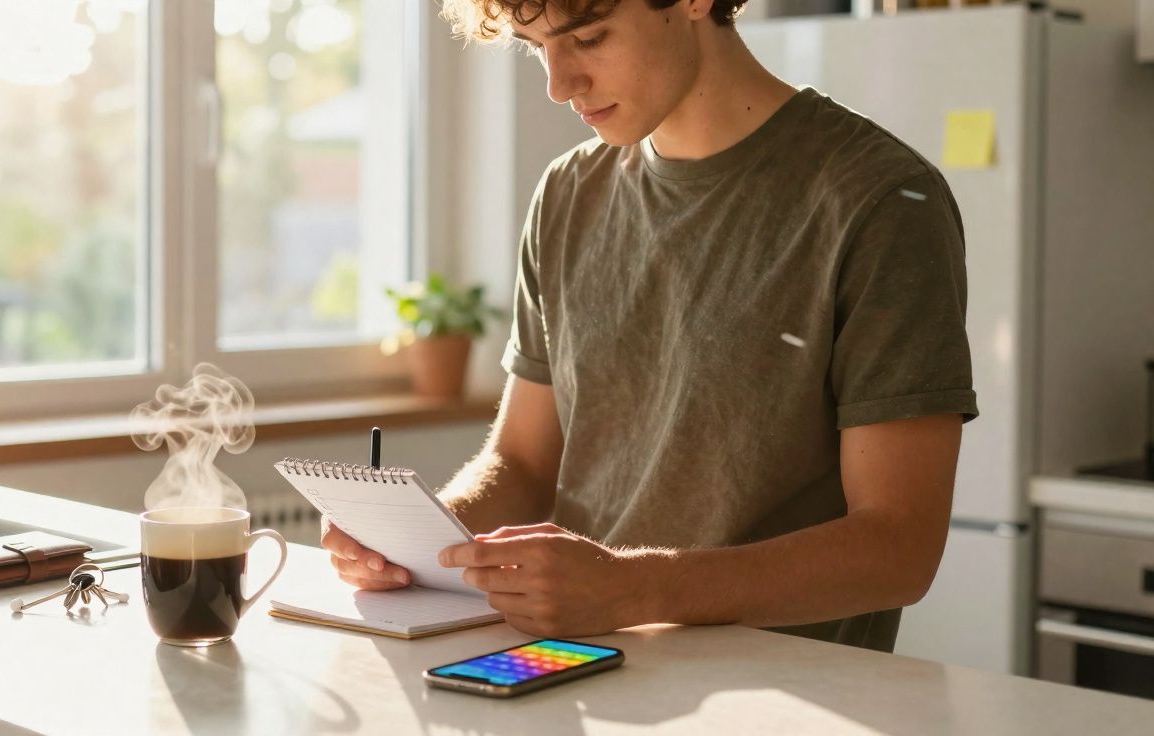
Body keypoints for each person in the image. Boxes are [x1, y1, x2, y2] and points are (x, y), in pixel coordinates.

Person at [322, 0, 978, 652]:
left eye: (589, 37)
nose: (558, 84)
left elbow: (898, 547)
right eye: (534, 46)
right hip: (581, 669)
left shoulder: (881, 202)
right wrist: (415, 539)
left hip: (789, 698)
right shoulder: (567, 195)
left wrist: (633, 588)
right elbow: (522, 462)